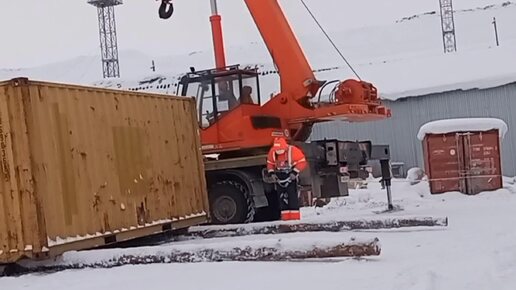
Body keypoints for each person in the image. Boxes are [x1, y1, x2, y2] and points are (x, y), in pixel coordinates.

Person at [266, 137, 307, 221]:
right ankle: (285, 219)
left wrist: (294, 172)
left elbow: (302, 162)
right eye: (277, 150)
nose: (278, 152)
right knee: (281, 199)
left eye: (280, 150)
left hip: (290, 176)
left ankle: (295, 219)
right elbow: (270, 163)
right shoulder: (272, 152)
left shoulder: (293, 151)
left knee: (292, 197)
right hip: (279, 176)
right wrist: (272, 173)